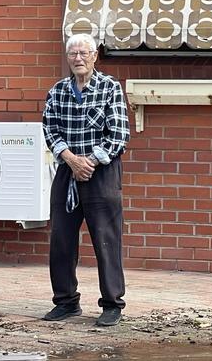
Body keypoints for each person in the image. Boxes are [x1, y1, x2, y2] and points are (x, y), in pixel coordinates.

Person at [42, 33, 130, 326]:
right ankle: (66, 302)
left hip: (101, 170)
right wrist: (71, 159)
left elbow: (118, 135)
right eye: (72, 54)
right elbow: (50, 129)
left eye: (84, 53)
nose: (78, 58)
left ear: (95, 56)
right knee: (62, 239)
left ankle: (112, 304)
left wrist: (88, 162)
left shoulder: (110, 88)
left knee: (106, 239)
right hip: (68, 168)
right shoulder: (58, 91)